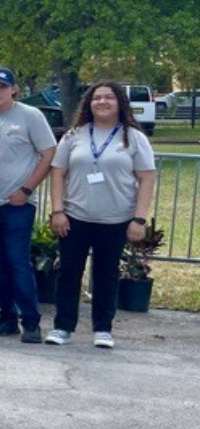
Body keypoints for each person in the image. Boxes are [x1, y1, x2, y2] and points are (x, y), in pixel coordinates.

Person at [46, 82, 156, 349]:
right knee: (69, 272)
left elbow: (147, 178)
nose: (102, 102)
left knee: (106, 274)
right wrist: (58, 210)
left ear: (120, 103)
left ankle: (103, 328)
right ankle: (63, 326)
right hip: (75, 217)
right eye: (97, 98)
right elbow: (58, 173)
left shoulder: (133, 137)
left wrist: (139, 219)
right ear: (88, 103)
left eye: (109, 97)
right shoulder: (74, 135)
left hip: (115, 219)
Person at [0, 67, 56, 344]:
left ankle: (31, 322)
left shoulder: (31, 116)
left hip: (19, 202)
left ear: (14, 89)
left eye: (2, 87)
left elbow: (48, 154)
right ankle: (6, 316)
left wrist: (27, 188)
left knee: (18, 262)